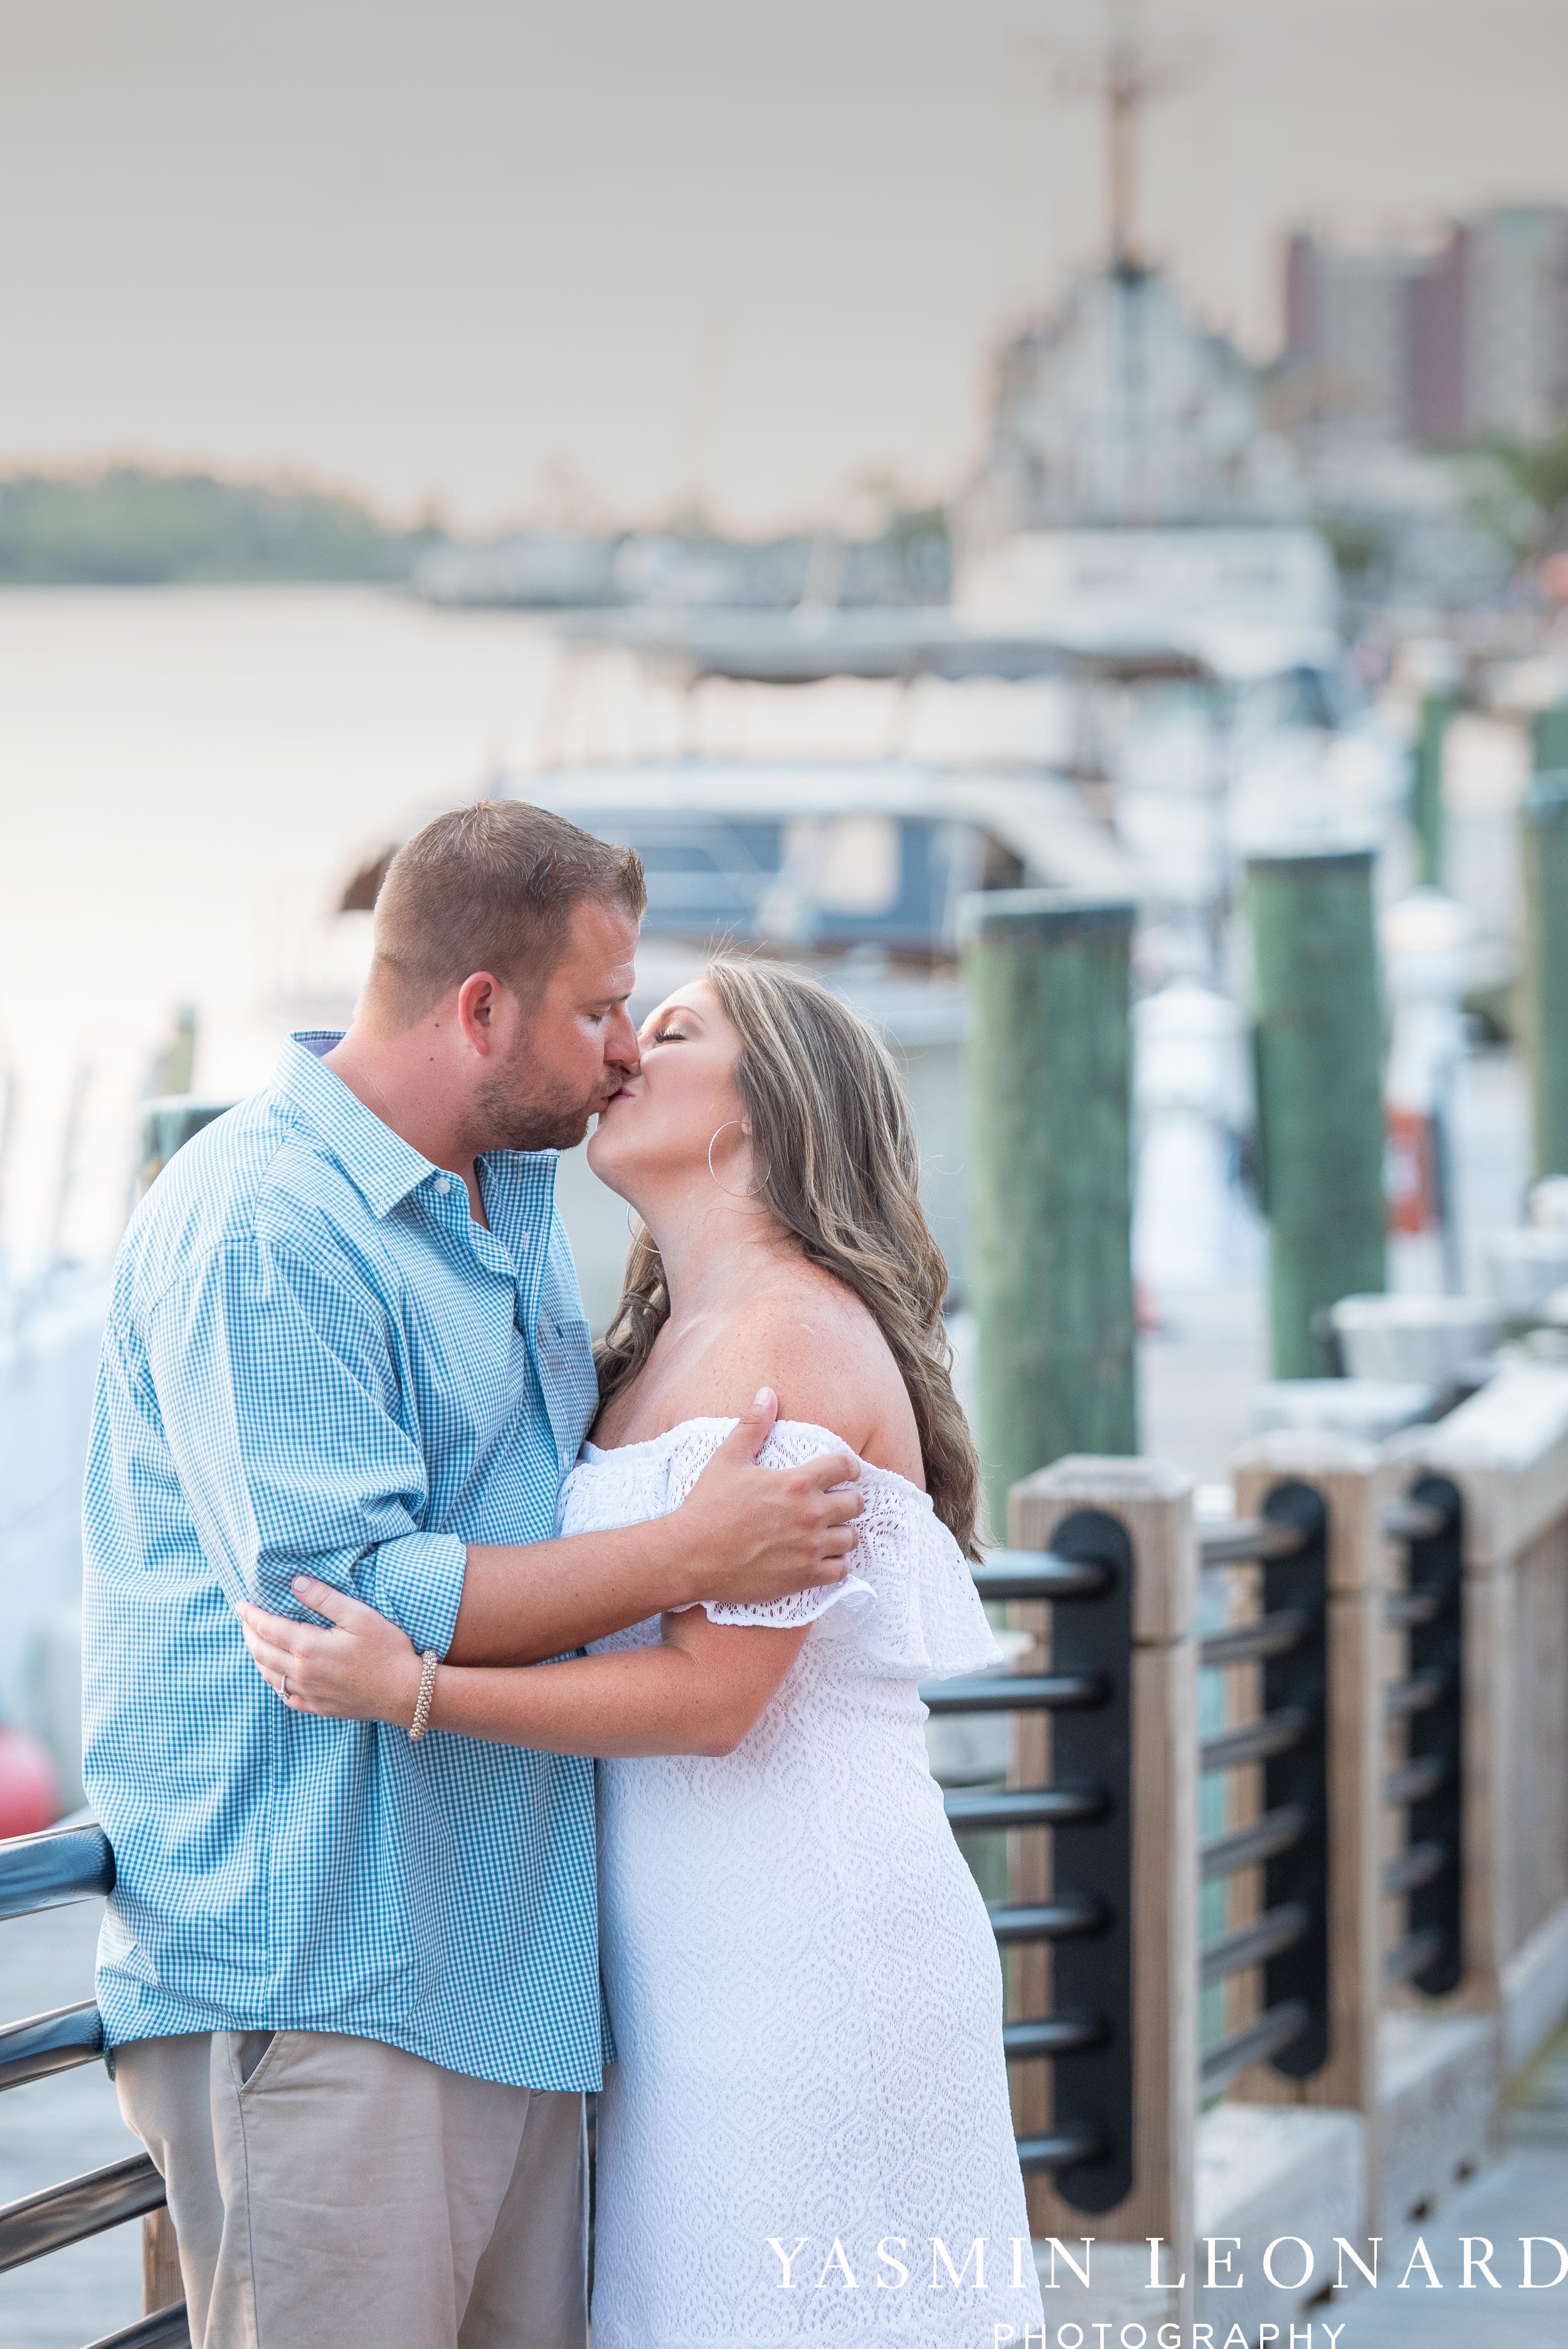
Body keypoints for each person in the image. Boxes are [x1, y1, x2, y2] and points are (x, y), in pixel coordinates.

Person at [81, 803, 866, 2349]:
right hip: (324, 1970)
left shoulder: (506, 1192)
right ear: (479, 1008)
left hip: (506, 1980)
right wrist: (688, 1553)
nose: (622, 1051)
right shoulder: (267, 1222)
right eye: (594, 1011)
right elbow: (345, 1593)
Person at [241, 955, 1048, 2349]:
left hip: (806, 1944)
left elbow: (716, 1700)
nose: (620, 1054)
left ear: (759, 1110)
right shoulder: (648, 1347)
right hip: (684, 1965)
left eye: (669, 1032)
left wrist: (417, 1689)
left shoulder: (793, 1337)